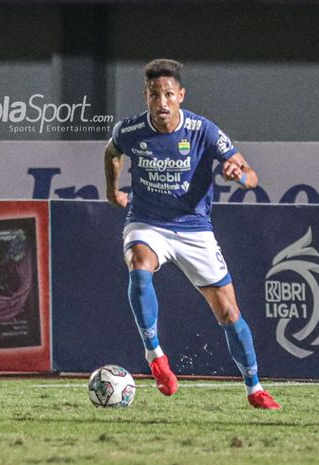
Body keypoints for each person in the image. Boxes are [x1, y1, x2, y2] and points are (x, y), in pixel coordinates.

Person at [103, 59, 280, 409]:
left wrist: (238, 174)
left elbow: (251, 175)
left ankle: (254, 388)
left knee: (229, 313)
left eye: (169, 94)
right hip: (147, 222)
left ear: (181, 96)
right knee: (139, 264)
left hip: (194, 229)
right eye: (155, 95)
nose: (162, 102)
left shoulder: (204, 131)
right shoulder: (130, 130)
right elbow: (112, 152)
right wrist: (112, 191)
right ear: (146, 97)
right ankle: (155, 355)